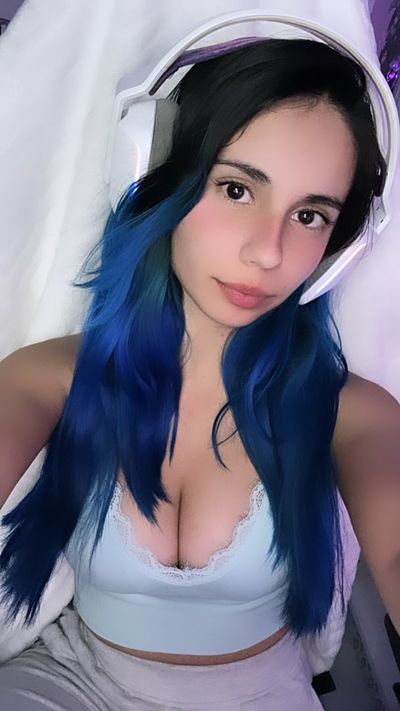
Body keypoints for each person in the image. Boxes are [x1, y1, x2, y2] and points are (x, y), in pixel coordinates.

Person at [0, 35, 398, 710]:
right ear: (157, 174)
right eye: (236, 188)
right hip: (73, 679)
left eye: (309, 215)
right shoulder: (51, 377)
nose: (268, 252)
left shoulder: (353, 413)